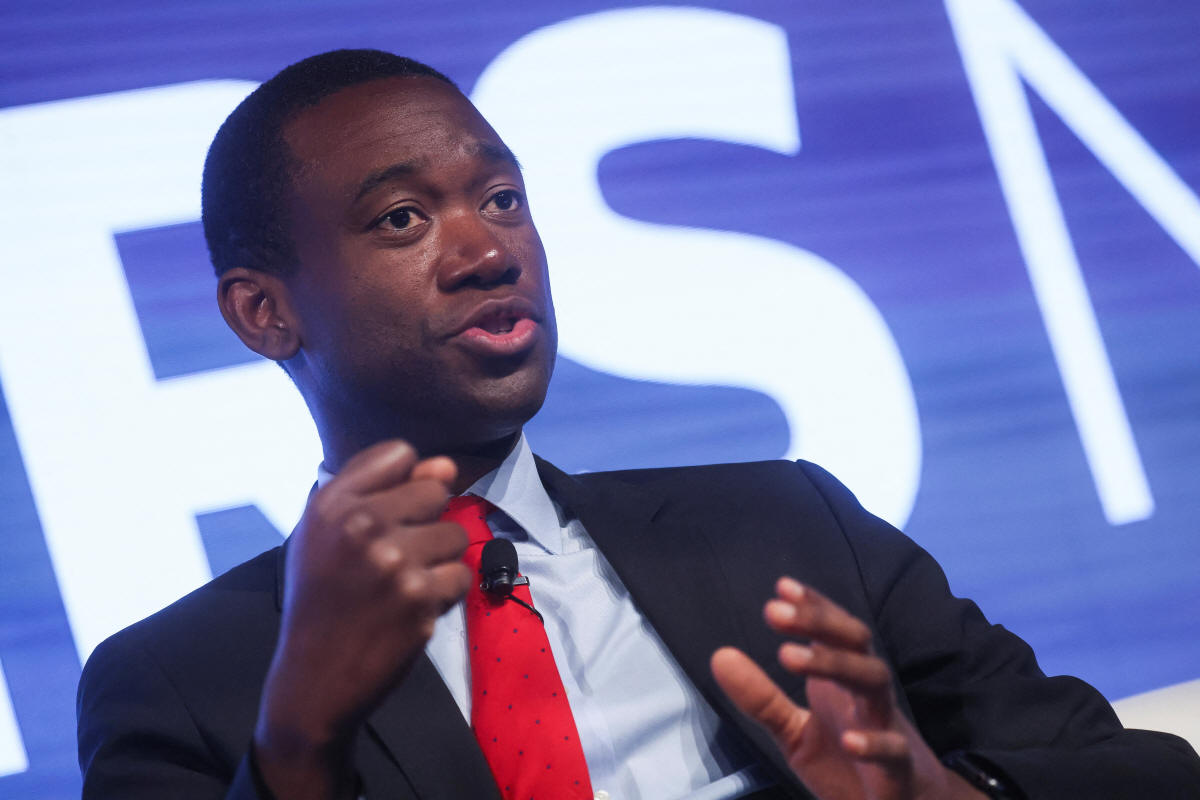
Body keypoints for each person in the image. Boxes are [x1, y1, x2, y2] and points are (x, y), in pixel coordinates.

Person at [76, 49, 1200, 800]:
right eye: (404, 218)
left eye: (503, 199)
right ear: (263, 312)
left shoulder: (785, 524)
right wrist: (297, 742)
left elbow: (1131, 769)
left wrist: (945, 794)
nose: (488, 250)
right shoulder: (179, 682)